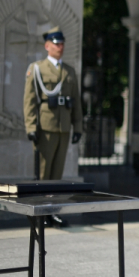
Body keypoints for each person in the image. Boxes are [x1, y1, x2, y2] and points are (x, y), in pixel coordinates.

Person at [23, 27, 83, 227]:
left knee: (56, 175)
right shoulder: (37, 68)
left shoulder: (69, 71)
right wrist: (31, 126)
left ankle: (52, 212)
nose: (60, 47)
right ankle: (39, 213)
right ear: (47, 45)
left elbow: (76, 102)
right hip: (45, 127)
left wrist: (78, 127)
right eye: (56, 43)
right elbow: (30, 100)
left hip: (63, 128)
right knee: (43, 174)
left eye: (62, 43)